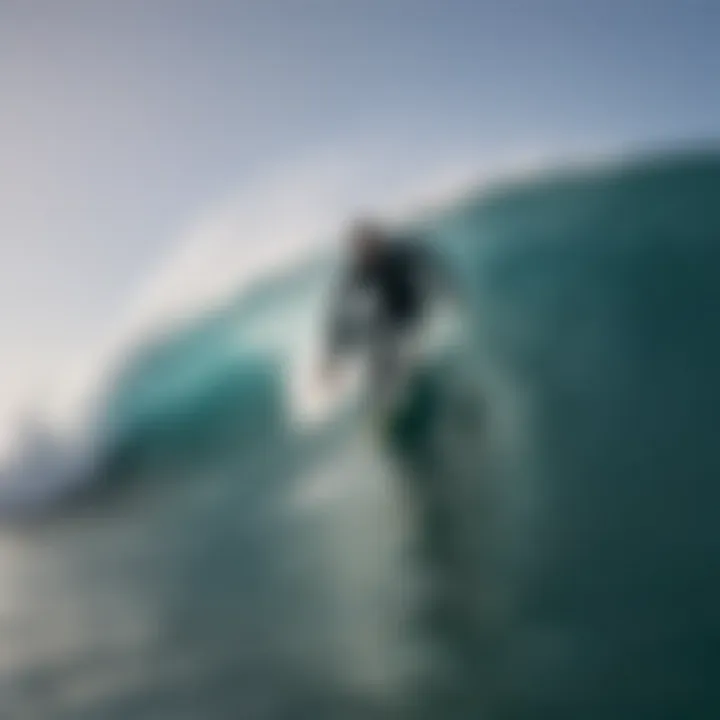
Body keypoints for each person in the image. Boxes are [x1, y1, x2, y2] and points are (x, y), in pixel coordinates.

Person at [321, 218, 454, 410]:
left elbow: (433, 268)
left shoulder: (401, 253)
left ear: (379, 239)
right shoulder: (359, 270)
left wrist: (446, 293)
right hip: (386, 321)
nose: (366, 251)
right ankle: (376, 399)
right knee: (364, 339)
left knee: (395, 354)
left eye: (369, 242)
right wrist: (333, 353)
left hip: (413, 314)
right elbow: (341, 311)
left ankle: (402, 385)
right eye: (360, 247)